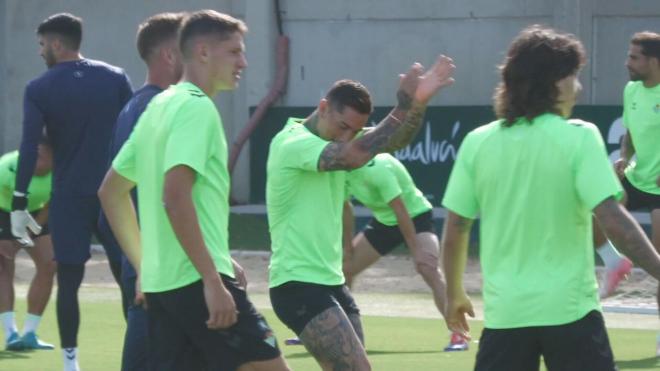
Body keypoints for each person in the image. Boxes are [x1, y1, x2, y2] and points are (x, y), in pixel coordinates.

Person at [441, 26, 660, 371]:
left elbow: (456, 228)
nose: (579, 86)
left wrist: (454, 293)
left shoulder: (477, 141)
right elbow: (614, 222)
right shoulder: (580, 137)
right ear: (555, 83)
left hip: (506, 315)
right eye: (574, 76)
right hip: (571, 313)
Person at [98, 10, 290, 371]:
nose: (244, 62)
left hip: (162, 288)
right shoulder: (196, 107)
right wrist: (212, 279)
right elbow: (175, 196)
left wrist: (145, 267)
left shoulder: (159, 106)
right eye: (234, 52)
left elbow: (111, 192)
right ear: (203, 52)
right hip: (196, 283)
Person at [267, 55, 455, 370]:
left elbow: (394, 140)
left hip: (331, 282)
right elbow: (353, 155)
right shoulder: (293, 143)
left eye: (353, 131)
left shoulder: (344, 141)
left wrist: (415, 104)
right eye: (342, 127)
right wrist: (401, 107)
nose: (346, 137)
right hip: (297, 284)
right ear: (323, 107)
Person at [10, 13, 132, 371]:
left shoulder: (39, 87)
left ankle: (71, 364)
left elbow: (30, 146)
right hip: (116, 194)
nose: (40, 51)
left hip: (70, 197)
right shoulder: (114, 77)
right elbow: (134, 132)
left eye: (41, 44)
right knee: (130, 275)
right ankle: (142, 355)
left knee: (70, 281)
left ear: (56, 44)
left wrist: (19, 202)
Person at [95, 12, 184, 371]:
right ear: (169, 55)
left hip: (148, 263)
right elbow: (126, 194)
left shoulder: (135, 105)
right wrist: (142, 264)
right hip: (156, 267)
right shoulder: (154, 107)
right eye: (190, 47)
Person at [343, 152, 468, 351]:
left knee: (428, 268)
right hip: (385, 221)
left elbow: (400, 210)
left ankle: (459, 335)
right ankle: (343, 332)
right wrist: (347, 246)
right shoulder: (341, 170)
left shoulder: (380, 167)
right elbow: (345, 208)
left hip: (415, 216)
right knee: (345, 268)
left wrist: (417, 250)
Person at [617, 31, 660, 354]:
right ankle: (612, 264)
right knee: (597, 204)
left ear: (653, 61)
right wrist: (624, 157)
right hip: (635, 177)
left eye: (634, 57)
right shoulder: (631, 89)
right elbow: (630, 133)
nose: (627, 62)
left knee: (659, 263)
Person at [0, 138, 56, 351]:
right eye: (35, 154)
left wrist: (25, 235)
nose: (37, 160)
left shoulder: (59, 172)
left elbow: (50, 207)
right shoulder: (6, 168)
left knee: (50, 264)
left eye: (43, 157)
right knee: (4, 266)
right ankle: (10, 334)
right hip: (2, 212)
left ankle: (30, 333)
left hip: (34, 213)